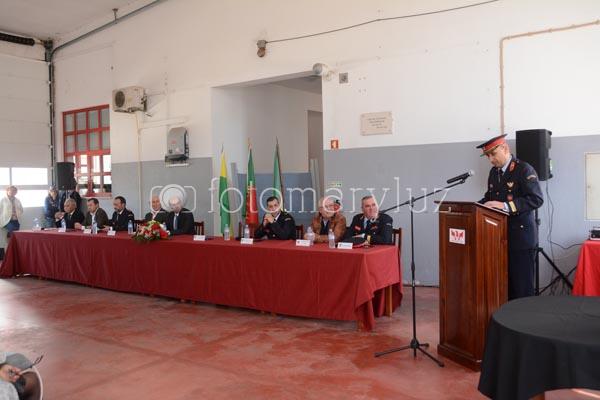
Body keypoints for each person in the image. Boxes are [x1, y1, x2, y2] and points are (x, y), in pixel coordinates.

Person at [477, 134, 543, 300]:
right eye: (488, 156)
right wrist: (475, 207)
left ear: (505, 148)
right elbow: (489, 197)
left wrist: (505, 206)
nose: (491, 160)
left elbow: (536, 199)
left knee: (521, 289)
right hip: (499, 238)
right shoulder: (494, 172)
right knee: (504, 288)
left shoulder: (524, 169)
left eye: (493, 154)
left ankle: (523, 317)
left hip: (520, 239)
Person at [0, 186, 23, 261]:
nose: (13, 192)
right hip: (7, 221)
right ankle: (11, 252)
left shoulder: (17, 200)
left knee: (13, 236)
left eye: (15, 191)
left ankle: (12, 253)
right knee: (13, 233)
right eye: (11, 190)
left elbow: (21, 209)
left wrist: (17, 213)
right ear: (7, 191)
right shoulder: (3, 200)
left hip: (16, 220)